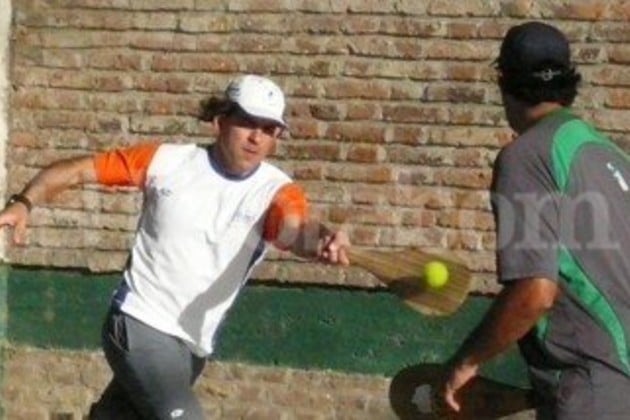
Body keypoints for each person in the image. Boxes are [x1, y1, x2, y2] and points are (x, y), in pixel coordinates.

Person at [0, 74, 350, 419]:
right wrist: (24, 203)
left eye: (269, 129)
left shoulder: (276, 191)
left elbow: (293, 231)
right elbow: (77, 170)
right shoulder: (166, 162)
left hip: (191, 345)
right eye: (246, 123)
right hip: (139, 322)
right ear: (220, 120)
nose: (256, 138)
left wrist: (323, 241)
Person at [442, 22, 630, 419]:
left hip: (592, 391)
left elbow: (536, 291)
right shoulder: (609, 155)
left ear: (503, 81)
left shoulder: (527, 156)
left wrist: (467, 361)